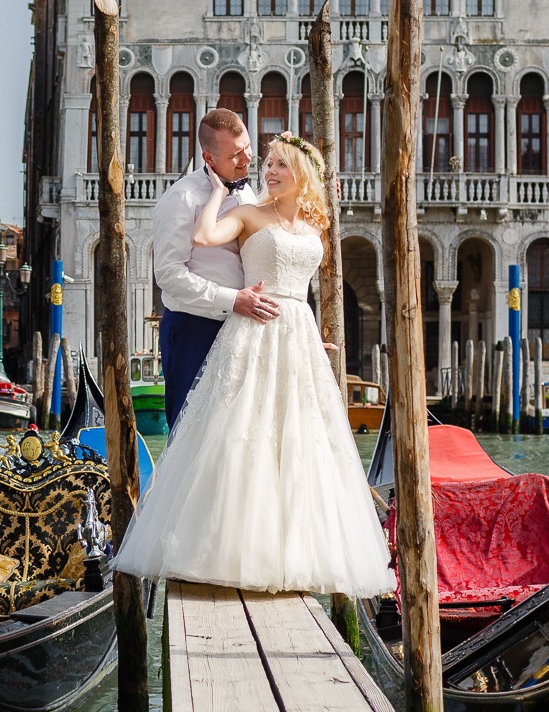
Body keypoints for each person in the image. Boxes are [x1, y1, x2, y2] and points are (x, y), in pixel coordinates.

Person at [114, 133, 395, 596]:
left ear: (301, 174)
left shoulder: (314, 221)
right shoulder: (243, 211)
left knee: (300, 441)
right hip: (254, 327)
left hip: (298, 333)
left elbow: (304, 283)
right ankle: (228, 548)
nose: (268, 170)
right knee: (242, 434)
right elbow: (204, 237)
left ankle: (296, 552)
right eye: (267, 163)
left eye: (280, 164)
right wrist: (220, 194)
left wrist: (312, 335)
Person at [150, 109, 278, 428]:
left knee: (238, 433)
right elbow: (168, 275)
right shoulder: (180, 198)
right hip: (194, 329)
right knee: (189, 430)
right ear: (209, 156)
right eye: (235, 154)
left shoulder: (248, 192)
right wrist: (232, 299)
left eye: (247, 146)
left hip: (242, 327)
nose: (247, 158)